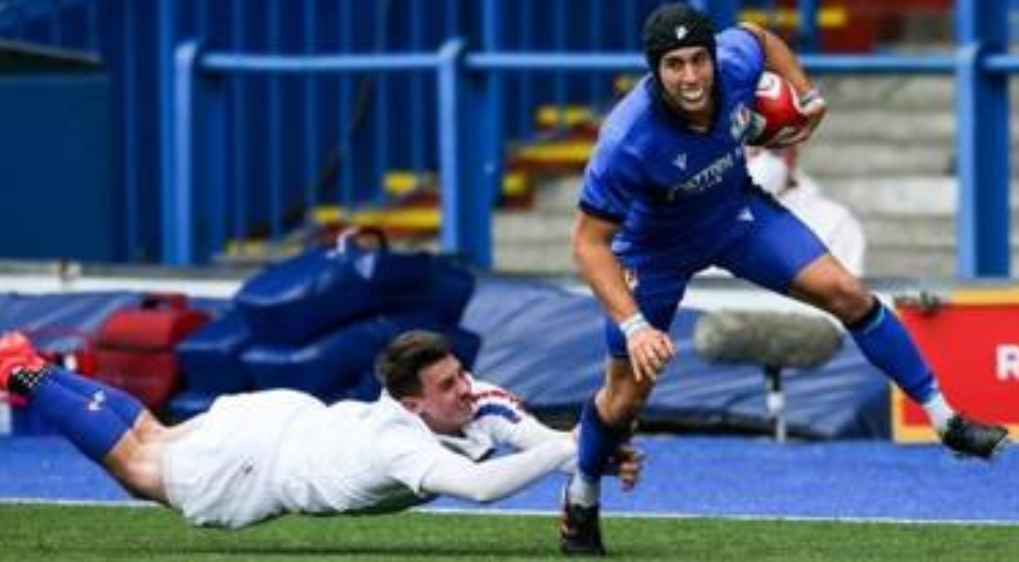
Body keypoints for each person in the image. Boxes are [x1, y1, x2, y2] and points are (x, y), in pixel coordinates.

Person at [564, 3, 1008, 556]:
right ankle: (581, 498)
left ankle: (946, 422)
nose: (692, 76)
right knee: (624, 400)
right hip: (654, 253)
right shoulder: (627, 138)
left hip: (733, 214)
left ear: (713, 57)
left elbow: (758, 36)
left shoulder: (734, 61)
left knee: (849, 294)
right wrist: (634, 326)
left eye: (699, 60)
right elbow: (588, 244)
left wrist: (806, 94)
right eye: (675, 65)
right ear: (655, 70)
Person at [0, 330, 640, 529]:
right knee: (139, 466)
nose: (466, 388)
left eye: (461, 374)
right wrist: (576, 446)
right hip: (257, 467)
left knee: (152, 433)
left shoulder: (479, 401)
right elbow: (480, 488)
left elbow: (535, 443)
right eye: (447, 386)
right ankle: (21, 375)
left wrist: (592, 456)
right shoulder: (398, 443)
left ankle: (28, 363)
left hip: (286, 418)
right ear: (412, 404)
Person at [746, 145, 866, 276]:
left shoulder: (836, 221)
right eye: (754, 152)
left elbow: (845, 285)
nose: (764, 161)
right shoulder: (728, 214)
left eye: (775, 152)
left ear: (793, 157)